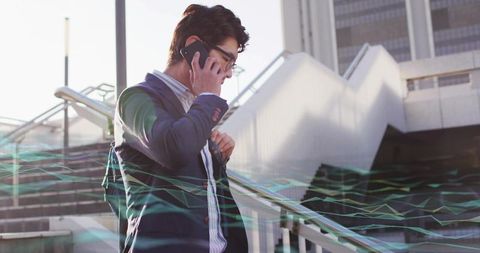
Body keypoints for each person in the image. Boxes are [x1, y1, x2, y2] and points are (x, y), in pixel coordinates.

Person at [113, 4, 249, 253]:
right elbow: (172, 149)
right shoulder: (135, 99)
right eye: (226, 59)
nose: (229, 74)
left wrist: (217, 157)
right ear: (194, 47)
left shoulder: (196, 107)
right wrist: (207, 96)